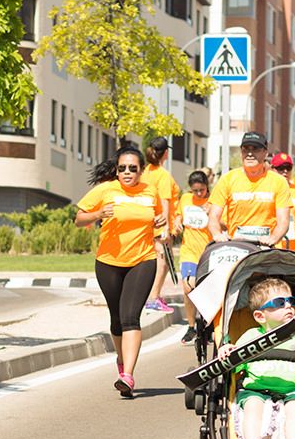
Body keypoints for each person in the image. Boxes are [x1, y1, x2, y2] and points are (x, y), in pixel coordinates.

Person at [75, 144, 165, 398]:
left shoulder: (151, 191)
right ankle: (121, 359)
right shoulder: (105, 190)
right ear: (116, 170)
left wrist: (161, 222)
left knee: (130, 317)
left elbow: (159, 219)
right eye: (122, 168)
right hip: (109, 262)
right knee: (116, 318)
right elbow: (79, 218)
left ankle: (128, 375)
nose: (127, 173)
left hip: (143, 259)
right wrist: (98, 213)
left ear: (141, 171)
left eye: (132, 169)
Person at [220, 277, 295, 439]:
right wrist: (227, 352)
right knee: (253, 407)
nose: (289, 306)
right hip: (255, 389)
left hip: (291, 390)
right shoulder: (250, 336)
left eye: (291, 301)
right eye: (280, 303)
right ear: (261, 316)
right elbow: (235, 368)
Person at [207, 131, 292, 246]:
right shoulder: (228, 179)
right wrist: (217, 234)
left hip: (266, 248)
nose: (250, 154)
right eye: (246, 149)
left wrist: (273, 238)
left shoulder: (279, 182)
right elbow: (213, 216)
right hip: (236, 247)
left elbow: (283, 221)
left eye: (255, 149)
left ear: (265, 153)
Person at [173, 169, 212, 344]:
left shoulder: (213, 202)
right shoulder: (186, 199)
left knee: (207, 290)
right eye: (195, 190)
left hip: (209, 253)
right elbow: (178, 217)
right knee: (188, 288)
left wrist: (212, 214)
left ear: (207, 187)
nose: (198, 193)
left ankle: (208, 324)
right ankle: (191, 326)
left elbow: (226, 224)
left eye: (201, 190)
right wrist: (176, 223)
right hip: (188, 251)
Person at [142, 136, 179, 313]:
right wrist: (165, 228)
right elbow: (164, 202)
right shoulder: (163, 176)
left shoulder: (145, 171)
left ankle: (152, 295)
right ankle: (153, 298)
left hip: (147, 221)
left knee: (154, 261)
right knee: (163, 262)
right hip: (160, 224)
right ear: (166, 153)